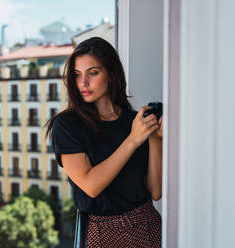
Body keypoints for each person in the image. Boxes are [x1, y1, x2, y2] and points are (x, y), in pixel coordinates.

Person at [45, 37, 163, 248]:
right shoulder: (67, 125)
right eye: (77, 75)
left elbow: (155, 191)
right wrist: (134, 139)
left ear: (111, 74)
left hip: (149, 227)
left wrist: (154, 138)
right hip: (103, 233)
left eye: (93, 73)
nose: (83, 83)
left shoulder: (134, 121)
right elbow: (91, 186)